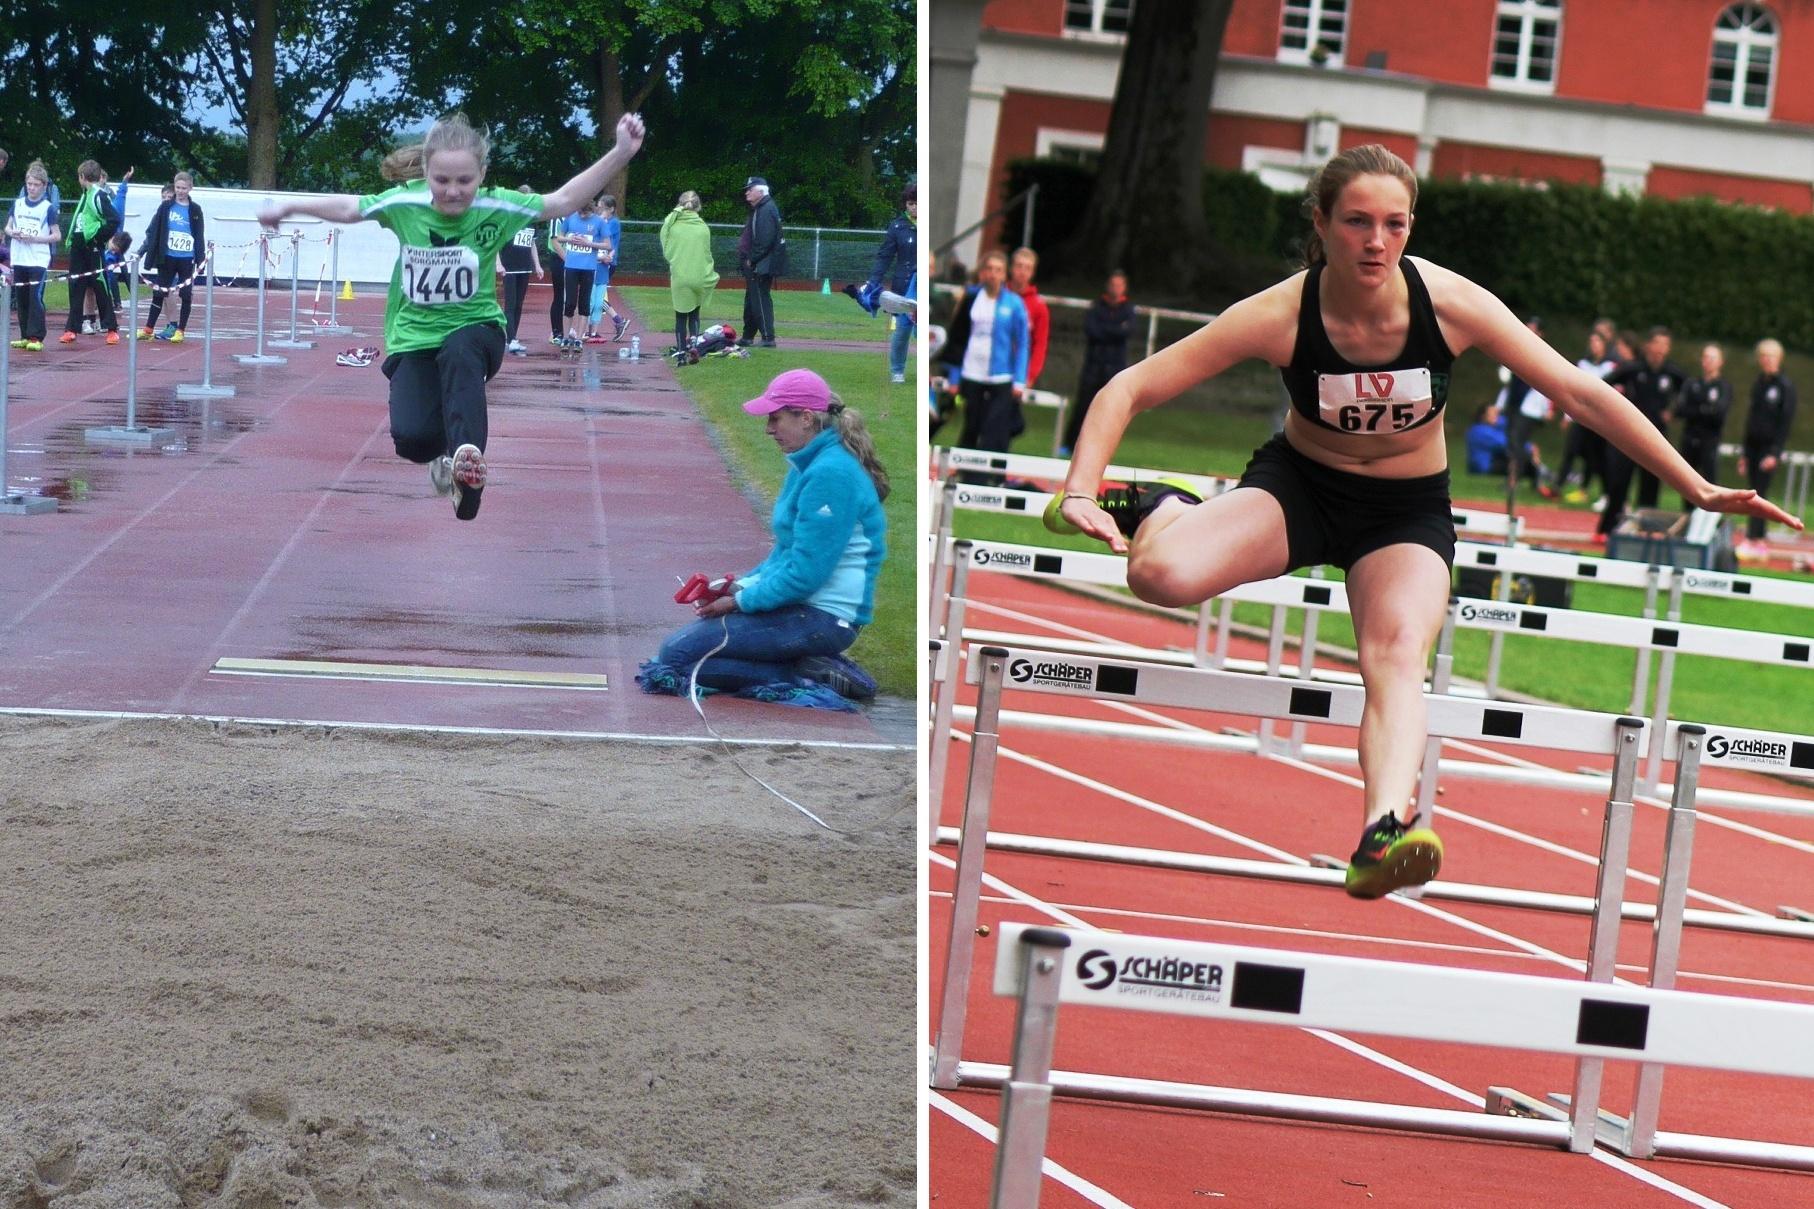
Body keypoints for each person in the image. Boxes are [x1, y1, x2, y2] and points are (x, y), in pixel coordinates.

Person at [1044, 144, 1801, 900]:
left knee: (1397, 650)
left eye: (1396, 225)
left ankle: (1383, 828)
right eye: (1358, 223)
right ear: (1322, 222)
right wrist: (1081, 488)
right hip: (1301, 489)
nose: (1377, 242)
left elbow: (1582, 393)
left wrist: (1696, 487)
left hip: (1404, 512)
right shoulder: (1282, 312)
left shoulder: (1450, 303)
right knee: (1157, 574)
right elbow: (1129, 386)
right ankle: (1165, 504)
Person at [256, 110, 647, 521]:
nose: (454, 191)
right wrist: (289, 206)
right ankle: (444, 457)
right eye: (442, 180)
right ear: (425, 172)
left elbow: (562, 200)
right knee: (412, 440)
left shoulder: (499, 205)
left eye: (465, 181)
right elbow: (350, 208)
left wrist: (621, 151)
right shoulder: (404, 202)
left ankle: (469, 455)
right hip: (414, 337)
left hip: (477, 329)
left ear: (482, 174)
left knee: (460, 352)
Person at [638, 368, 888, 706]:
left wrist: (739, 602)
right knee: (681, 650)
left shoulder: (831, 474)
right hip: (805, 609)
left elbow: (805, 576)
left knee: (677, 657)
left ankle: (807, 676)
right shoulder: (808, 464)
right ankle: (802, 663)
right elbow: (786, 554)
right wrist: (739, 586)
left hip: (824, 618)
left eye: (775, 418)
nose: (768, 429)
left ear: (806, 418)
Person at [939, 250, 1028, 478]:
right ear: (982, 272)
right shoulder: (970, 299)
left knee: (994, 426)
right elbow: (957, 339)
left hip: (1001, 376)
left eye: (998, 270)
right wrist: (955, 377)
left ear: (1004, 274)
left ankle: (990, 477)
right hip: (972, 373)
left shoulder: (1014, 304)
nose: (992, 274)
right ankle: (968, 476)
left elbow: (1023, 343)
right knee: (972, 424)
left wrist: (1019, 379)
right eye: (989, 269)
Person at [1597, 326, 1686, 537]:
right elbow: (1603, 384)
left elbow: (1690, 393)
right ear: (1649, 346)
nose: (1661, 350)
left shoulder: (1672, 373)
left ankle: (1645, 531)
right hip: (1629, 435)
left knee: (1650, 486)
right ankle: (1607, 529)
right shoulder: (1633, 369)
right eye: (1658, 344)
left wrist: (1674, 412)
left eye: (1665, 346)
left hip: (1656, 437)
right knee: (1619, 483)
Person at [1060, 268, 1136, 456]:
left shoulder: (1128, 310)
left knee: (1111, 410)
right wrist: (1115, 330)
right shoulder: (1096, 307)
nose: (1115, 288)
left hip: (1115, 368)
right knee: (1083, 406)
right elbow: (1093, 331)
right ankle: (1070, 444)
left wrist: (1109, 331)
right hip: (1093, 366)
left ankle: (1103, 449)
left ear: (1124, 287)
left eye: (1119, 285)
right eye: (1113, 284)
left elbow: (1126, 332)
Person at [1736, 338, 1798, 561]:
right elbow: (1752, 419)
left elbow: (1785, 423)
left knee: (1760, 493)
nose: (1766, 361)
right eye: (1763, 356)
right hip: (1753, 447)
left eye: (1771, 356)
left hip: (1768, 449)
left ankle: (1757, 539)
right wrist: (1744, 453)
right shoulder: (1759, 384)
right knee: (1751, 492)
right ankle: (1753, 536)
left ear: (1778, 359)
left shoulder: (1784, 387)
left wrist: (1775, 453)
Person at [61, 161, 121, 345]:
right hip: (78, 249)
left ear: (82, 177)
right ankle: (72, 329)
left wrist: (97, 238)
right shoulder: (85, 195)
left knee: (100, 286)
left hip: (92, 248)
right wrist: (72, 240)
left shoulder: (99, 195)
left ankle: (111, 328)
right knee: (75, 287)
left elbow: (114, 220)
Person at [139, 172, 204, 342]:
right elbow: (155, 231)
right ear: (174, 187)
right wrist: (147, 253)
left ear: (190, 188)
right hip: (167, 257)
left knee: (186, 294)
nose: (181, 191)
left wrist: (200, 259)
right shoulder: (166, 206)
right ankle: (148, 328)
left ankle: (180, 330)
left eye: (184, 188)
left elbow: (199, 235)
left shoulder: (195, 209)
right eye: (178, 188)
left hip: (186, 258)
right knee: (159, 291)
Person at [1555, 328, 1615, 503]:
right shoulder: (1583, 364)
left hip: (1599, 419)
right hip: (1581, 417)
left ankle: (1603, 493)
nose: (1594, 346)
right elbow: (1573, 391)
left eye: (1597, 342)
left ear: (1604, 345)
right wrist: (1567, 416)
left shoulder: (1610, 367)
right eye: (1592, 342)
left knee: (1597, 457)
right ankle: (1558, 486)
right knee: (1571, 450)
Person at [865, 183, 917, 383]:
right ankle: (897, 370)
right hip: (905, 284)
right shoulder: (897, 226)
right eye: (910, 203)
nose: (914, 208)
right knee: (903, 327)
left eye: (918, 203)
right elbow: (884, 256)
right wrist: (873, 281)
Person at [6, 161, 59, 352]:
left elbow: (56, 235)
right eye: (29, 184)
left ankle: (36, 336)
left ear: (44, 186)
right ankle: (24, 335)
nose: (32, 188)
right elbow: (8, 227)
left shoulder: (48, 208)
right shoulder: (18, 203)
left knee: (34, 296)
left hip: (38, 259)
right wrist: (14, 233)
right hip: (19, 257)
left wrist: (36, 239)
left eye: (36, 185)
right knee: (21, 297)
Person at [660, 189, 718, 354]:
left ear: (680, 205)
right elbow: (707, 254)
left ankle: (680, 349)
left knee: (680, 316)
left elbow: (666, 247)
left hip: (680, 275)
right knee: (694, 313)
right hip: (699, 276)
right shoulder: (703, 228)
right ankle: (694, 345)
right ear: (698, 206)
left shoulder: (672, 226)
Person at [1675, 343, 1731, 506]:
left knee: (1709, 482)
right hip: (1689, 438)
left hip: (1710, 441)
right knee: (1687, 483)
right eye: (1706, 357)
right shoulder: (1692, 384)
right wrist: (1704, 409)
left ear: (1721, 362)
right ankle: (1687, 517)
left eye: (1713, 358)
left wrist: (1698, 410)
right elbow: (1681, 410)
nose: (1708, 361)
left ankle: (1707, 522)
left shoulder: (1723, 387)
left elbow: (1719, 414)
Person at [496, 182, 542, 356]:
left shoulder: (531, 221)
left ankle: (513, 337)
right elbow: (496, 243)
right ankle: (510, 339)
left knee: (519, 304)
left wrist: (537, 265)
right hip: (509, 267)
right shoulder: (508, 219)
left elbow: (532, 244)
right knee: (510, 303)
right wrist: (498, 263)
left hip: (524, 267)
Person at [555, 197, 606, 348]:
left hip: (589, 268)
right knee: (569, 303)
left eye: (584, 213)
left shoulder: (599, 222)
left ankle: (579, 337)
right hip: (571, 266)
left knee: (584, 303)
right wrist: (570, 240)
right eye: (579, 213)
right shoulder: (570, 218)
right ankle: (565, 337)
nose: (581, 216)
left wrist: (588, 243)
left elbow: (608, 245)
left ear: (590, 210)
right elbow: (559, 237)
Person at [738, 175, 782, 348]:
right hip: (758, 262)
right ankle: (748, 336)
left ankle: (768, 337)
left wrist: (752, 259)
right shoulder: (761, 209)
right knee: (752, 300)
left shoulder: (766, 209)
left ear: (761, 191)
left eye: (750, 189)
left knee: (760, 299)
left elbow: (765, 240)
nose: (747, 193)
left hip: (760, 263)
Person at [585, 193, 629, 343]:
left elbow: (610, 241)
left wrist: (609, 256)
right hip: (599, 259)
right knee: (596, 297)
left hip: (606, 262)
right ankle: (616, 320)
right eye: (598, 207)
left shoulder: (612, 222)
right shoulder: (599, 221)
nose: (599, 209)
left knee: (598, 296)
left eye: (602, 207)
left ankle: (618, 320)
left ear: (610, 209)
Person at [1007, 246, 1050, 390]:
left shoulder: (1039, 306)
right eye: (1019, 266)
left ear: (1032, 272)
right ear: (1011, 268)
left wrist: (1030, 375)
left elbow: (1040, 344)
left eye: (1027, 268)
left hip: (1018, 371)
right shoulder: (998, 296)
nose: (1022, 272)